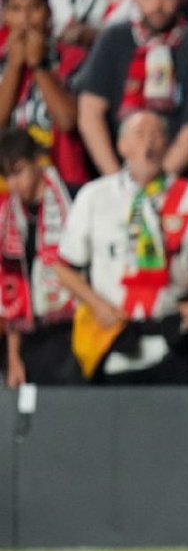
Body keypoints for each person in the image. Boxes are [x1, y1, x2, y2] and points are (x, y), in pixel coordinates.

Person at [52, 109, 188, 384]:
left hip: (174, 336)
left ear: (167, 144)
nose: (148, 143)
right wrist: (97, 306)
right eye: (139, 134)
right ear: (121, 145)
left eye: (156, 135)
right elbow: (63, 267)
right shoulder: (95, 195)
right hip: (115, 338)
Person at [76, 0, 188, 191]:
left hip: (181, 181)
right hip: (116, 176)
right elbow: (90, 113)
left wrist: (156, 184)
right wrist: (117, 182)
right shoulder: (114, 38)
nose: (158, 5)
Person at [0, 128, 78, 387]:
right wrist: (13, 357)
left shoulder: (71, 199)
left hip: (71, 330)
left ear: (37, 161)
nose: (14, 183)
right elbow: (11, 289)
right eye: (7, 176)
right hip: (31, 338)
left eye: (18, 171)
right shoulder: (8, 218)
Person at [0, 0, 90, 188]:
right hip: (7, 185)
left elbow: (68, 121)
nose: (25, 19)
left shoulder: (74, 58)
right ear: (5, 15)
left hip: (62, 181)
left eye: (34, 8)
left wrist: (38, 65)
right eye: (16, 9)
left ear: (48, 11)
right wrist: (14, 66)